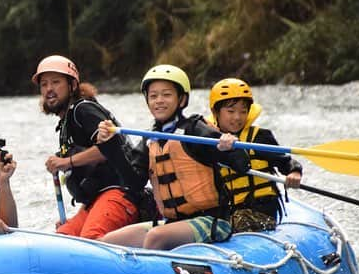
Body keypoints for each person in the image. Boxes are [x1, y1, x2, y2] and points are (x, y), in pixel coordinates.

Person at [96, 64, 250, 250]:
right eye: (153, 96)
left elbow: (242, 164)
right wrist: (109, 146)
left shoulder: (195, 130)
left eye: (166, 95)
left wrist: (228, 147)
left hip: (212, 220)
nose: (159, 100)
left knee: (155, 237)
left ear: (182, 99)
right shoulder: (150, 139)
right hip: (171, 223)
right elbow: (134, 183)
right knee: (107, 242)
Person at [34, 55, 145, 239]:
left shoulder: (83, 110)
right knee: (63, 237)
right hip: (94, 200)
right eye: (44, 84)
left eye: (55, 82)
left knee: (90, 239)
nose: (49, 89)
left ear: (73, 86)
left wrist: (66, 162)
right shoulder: (65, 123)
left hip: (118, 193)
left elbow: (108, 149)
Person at [207, 78, 302, 231]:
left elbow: (284, 161)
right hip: (229, 211)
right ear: (216, 112)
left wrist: (294, 171)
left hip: (262, 210)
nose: (237, 117)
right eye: (231, 111)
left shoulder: (260, 137)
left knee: (239, 220)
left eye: (243, 111)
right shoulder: (209, 141)